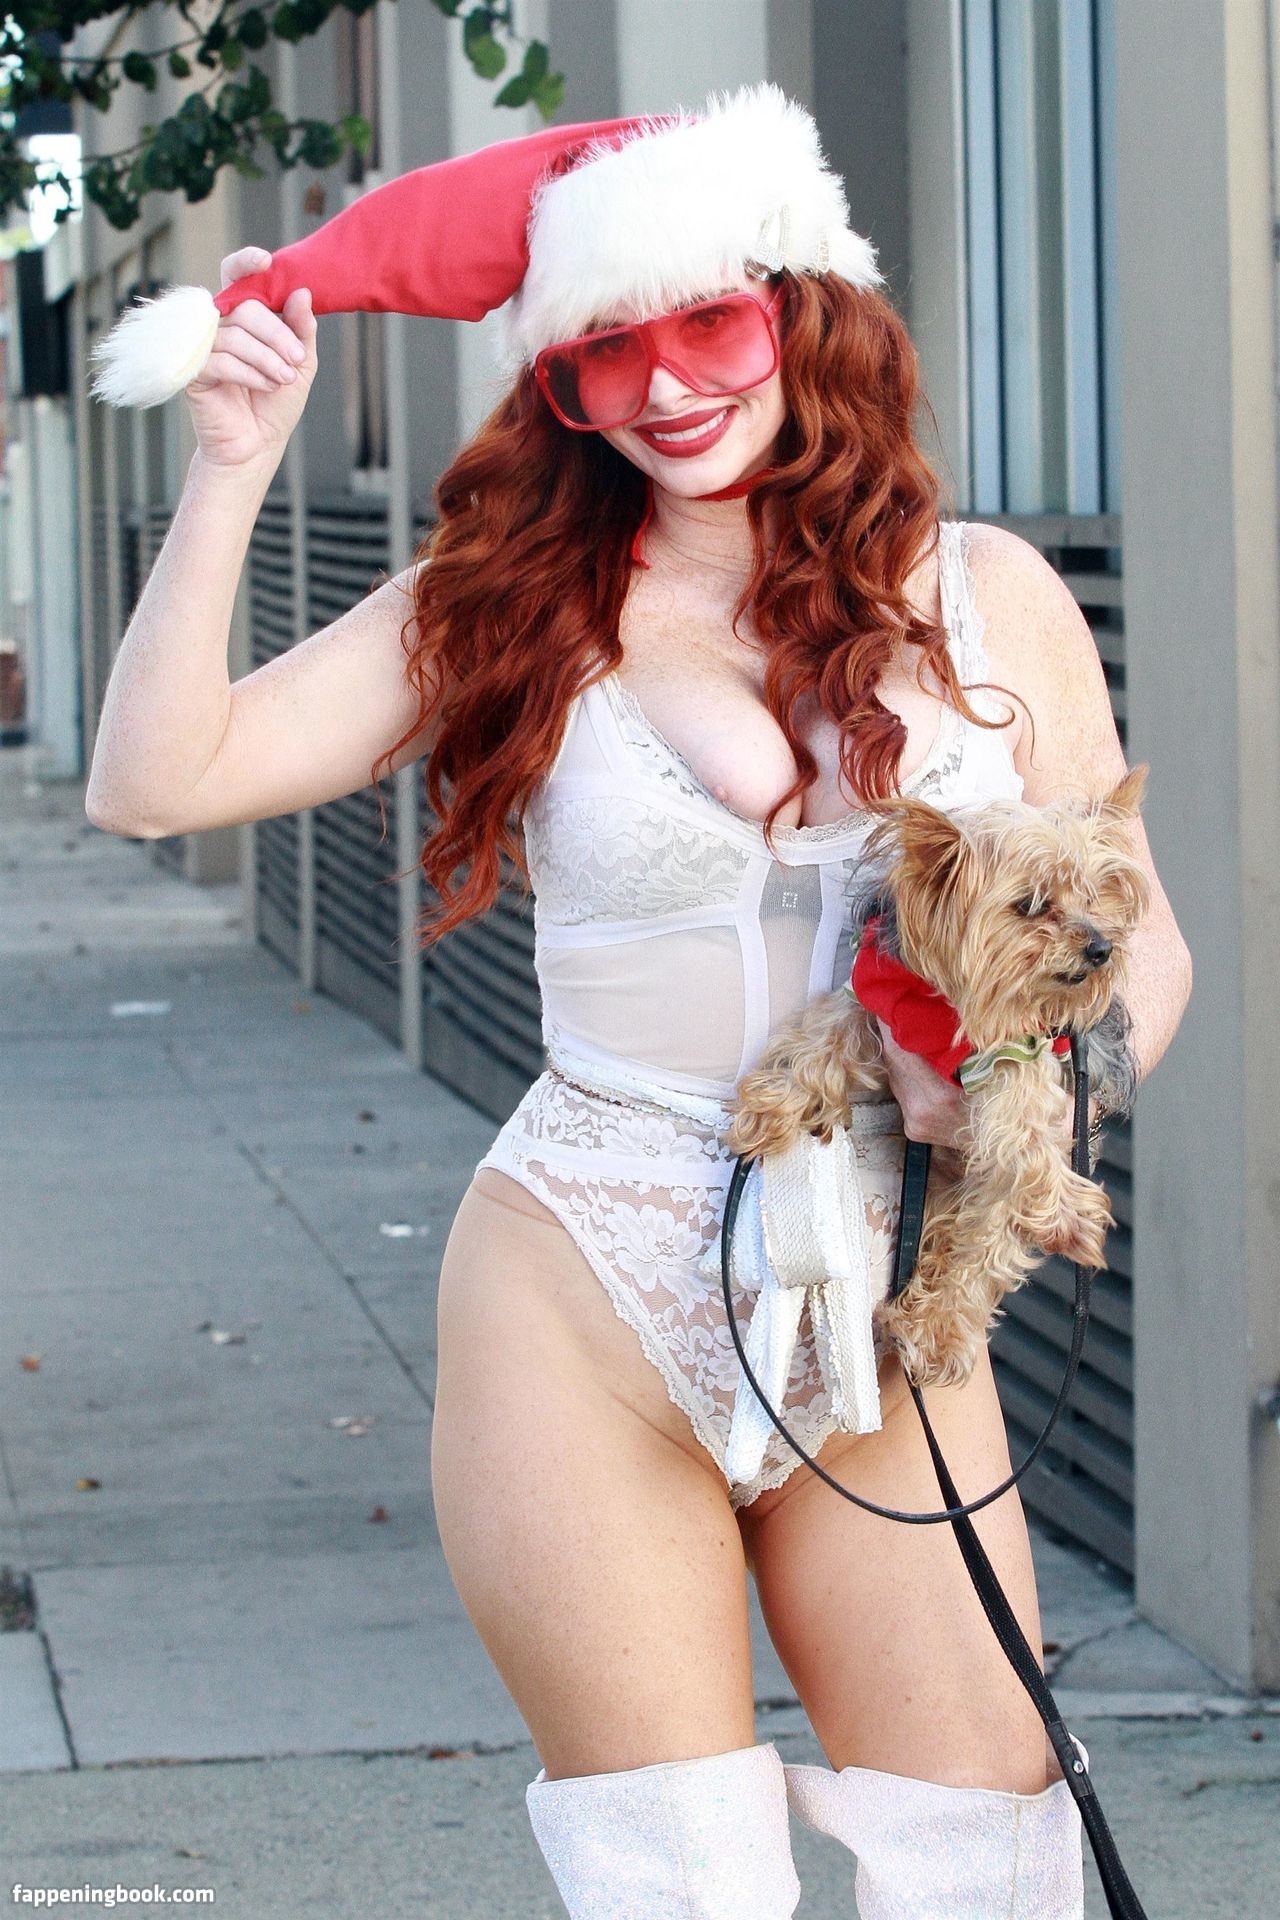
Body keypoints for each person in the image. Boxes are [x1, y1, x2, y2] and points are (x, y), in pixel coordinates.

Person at [86, 84, 1192, 1919]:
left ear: (802, 308)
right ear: (556, 382)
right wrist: (231, 469)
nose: (665, 386)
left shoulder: (988, 597)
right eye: (603, 351)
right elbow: (155, 780)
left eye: (710, 324)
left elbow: (1143, 941)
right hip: (586, 1285)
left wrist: (1039, 1090)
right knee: (680, 1883)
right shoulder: (506, 603)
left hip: (883, 1296)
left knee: (991, 1860)